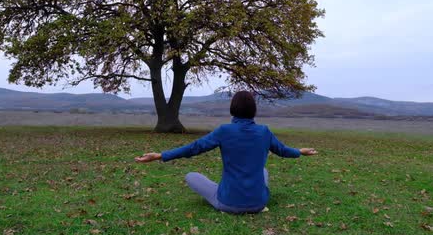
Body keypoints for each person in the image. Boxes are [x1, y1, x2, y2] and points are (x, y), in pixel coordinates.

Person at [135, 91, 318, 214]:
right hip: (259, 204)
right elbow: (283, 151)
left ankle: (231, 200)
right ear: (254, 110)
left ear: (233, 109)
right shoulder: (264, 131)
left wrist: (160, 155)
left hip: (227, 203)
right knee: (263, 171)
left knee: (192, 176)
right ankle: (253, 200)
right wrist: (300, 152)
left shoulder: (224, 131)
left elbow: (194, 148)